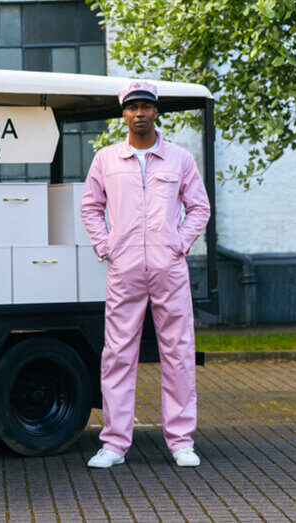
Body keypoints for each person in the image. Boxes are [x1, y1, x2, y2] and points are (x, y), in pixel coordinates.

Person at [80, 80, 210, 469]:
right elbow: (90, 207)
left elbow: (198, 207)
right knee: (118, 353)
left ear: (156, 112)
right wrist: (108, 248)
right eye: (132, 106)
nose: (140, 113)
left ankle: (181, 441)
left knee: (179, 352)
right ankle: (115, 444)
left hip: (169, 268)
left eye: (146, 106)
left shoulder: (179, 159)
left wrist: (178, 244)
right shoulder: (106, 159)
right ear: (123, 113)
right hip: (125, 270)